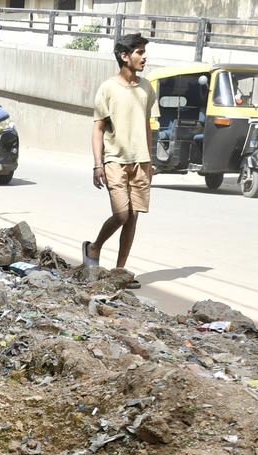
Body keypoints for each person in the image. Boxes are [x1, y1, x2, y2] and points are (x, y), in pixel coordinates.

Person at [83, 33, 156, 288]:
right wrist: (97, 163)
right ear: (125, 56)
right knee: (122, 214)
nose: (144, 56)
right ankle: (94, 247)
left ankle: (120, 272)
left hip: (141, 162)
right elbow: (98, 128)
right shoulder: (108, 88)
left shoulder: (147, 88)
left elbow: (147, 125)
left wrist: (150, 158)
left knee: (134, 216)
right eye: (139, 52)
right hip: (114, 159)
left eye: (144, 51)